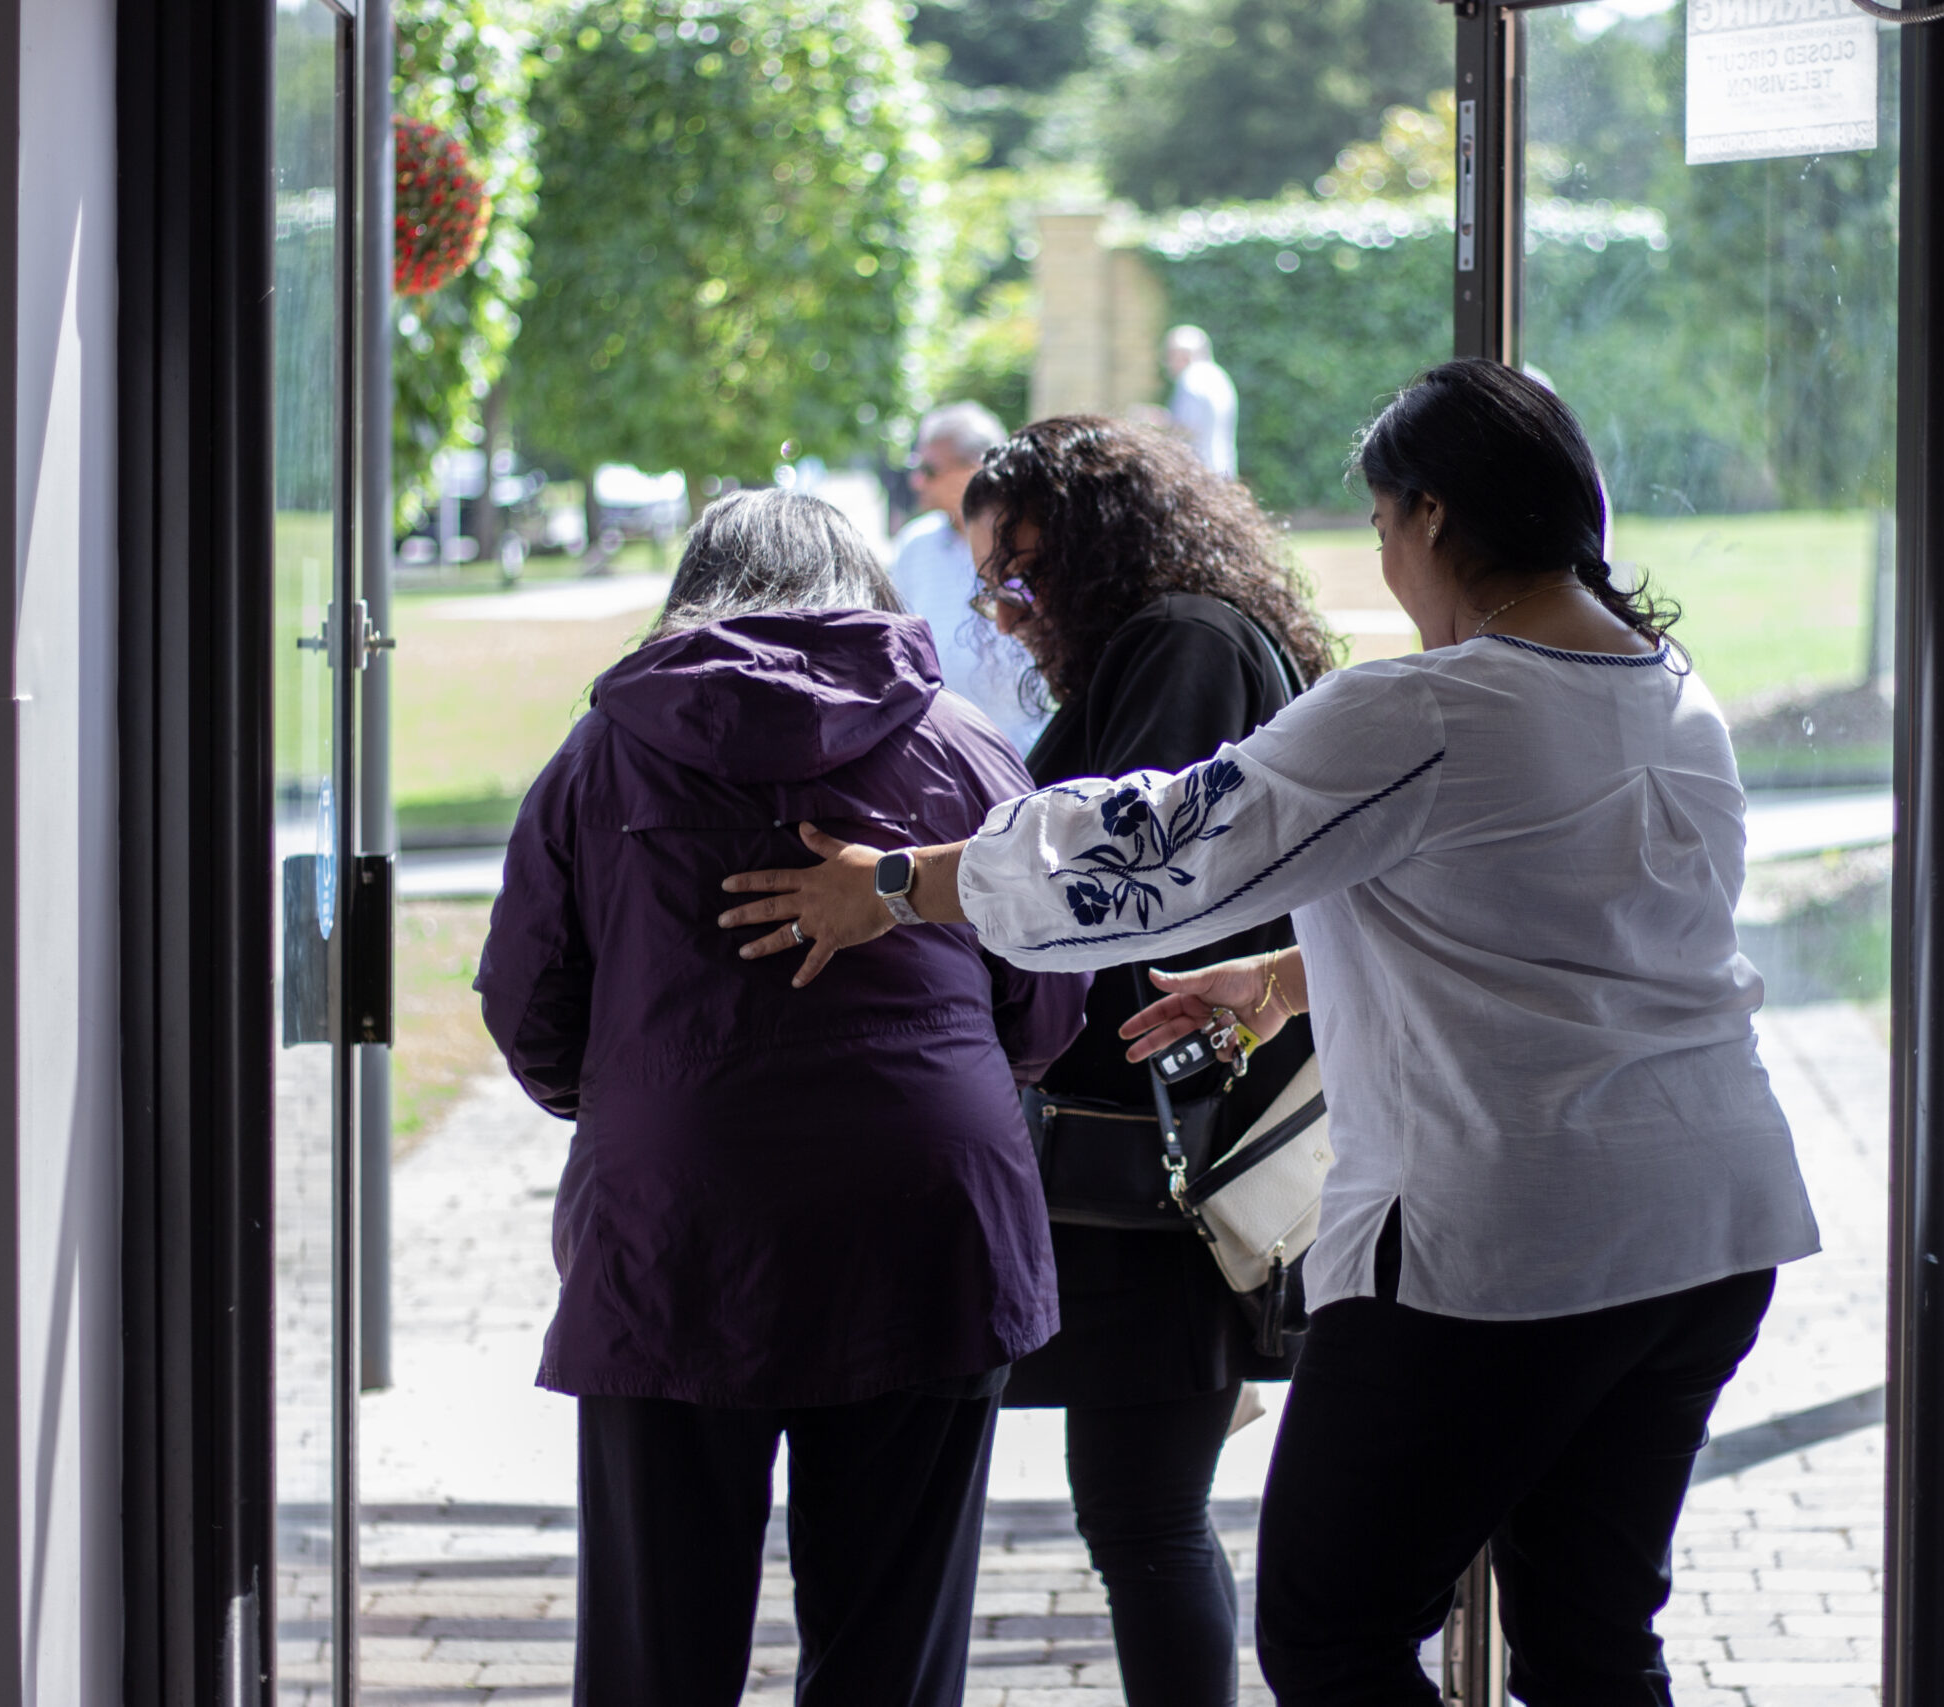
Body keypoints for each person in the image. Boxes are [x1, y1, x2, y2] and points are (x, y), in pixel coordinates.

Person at [716, 361, 1822, 1704]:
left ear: (1428, 515)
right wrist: (1287, 978)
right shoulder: (1669, 692)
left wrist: (895, 884)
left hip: (1510, 1236)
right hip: (1711, 1220)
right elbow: (1581, 924)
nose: (1384, 554)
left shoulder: (1428, 710)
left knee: (1332, 1627)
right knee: (1592, 1635)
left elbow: (1150, 849)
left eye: (1377, 522)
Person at [476, 487, 1089, 1707]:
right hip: (925, 1212)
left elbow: (527, 998)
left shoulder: (603, 753)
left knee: (657, 1640)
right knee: (892, 1643)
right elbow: (1046, 995)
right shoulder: (959, 744)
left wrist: (625, 1099)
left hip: (678, 1218)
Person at [946, 415, 1344, 1704]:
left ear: (1098, 551)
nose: (1002, 610)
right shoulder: (1181, 636)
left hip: (1157, 1164)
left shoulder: (1179, 643)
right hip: (1157, 1154)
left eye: (1019, 573)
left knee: (1141, 1516)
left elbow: (1124, 883)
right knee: (1140, 1513)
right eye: (985, 580)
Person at [886, 402, 1048, 750]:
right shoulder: (916, 544)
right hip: (935, 760)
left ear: (974, 469)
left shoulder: (1032, 542)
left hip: (1022, 759)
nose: (916, 480)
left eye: (929, 469)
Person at [1164, 325, 1239, 479]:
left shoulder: (1191, 378)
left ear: (1184, 355)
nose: (1167, 362)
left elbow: (1187, 427)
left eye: (1170, 355)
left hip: (1200, 474)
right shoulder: (1218, 375)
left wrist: (1157, 422)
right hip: (1223, 469)